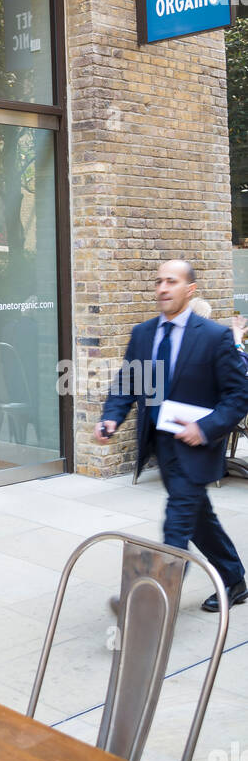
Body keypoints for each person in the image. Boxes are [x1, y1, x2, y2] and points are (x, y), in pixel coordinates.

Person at [98, 259, 248, 611]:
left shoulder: (215, 337)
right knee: (199, 518)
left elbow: (239, 395)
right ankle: (235, 580)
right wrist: (111, 418)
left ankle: (148, 601)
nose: (163, 288)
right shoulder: (144, 334)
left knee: (177, 521)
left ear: (190, 289)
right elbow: (127, 382)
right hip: (160, 443)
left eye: (172, 281)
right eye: (159, 281)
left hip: (196, 445)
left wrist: (206, 428)